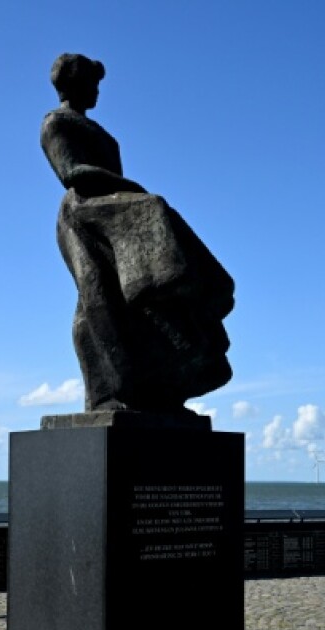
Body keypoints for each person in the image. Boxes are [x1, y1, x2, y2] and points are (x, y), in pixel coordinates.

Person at [41, 53, 235, 413]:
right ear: (73, 84)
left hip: (115, 211)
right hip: (84, 214)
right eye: (92, 84)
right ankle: (105, 394)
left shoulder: (102, 132)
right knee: (97, 300)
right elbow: (72, 173)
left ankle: (155, 388)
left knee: (136, 308)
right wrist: (134, 190)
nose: (97, 92)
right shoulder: (56, 122)